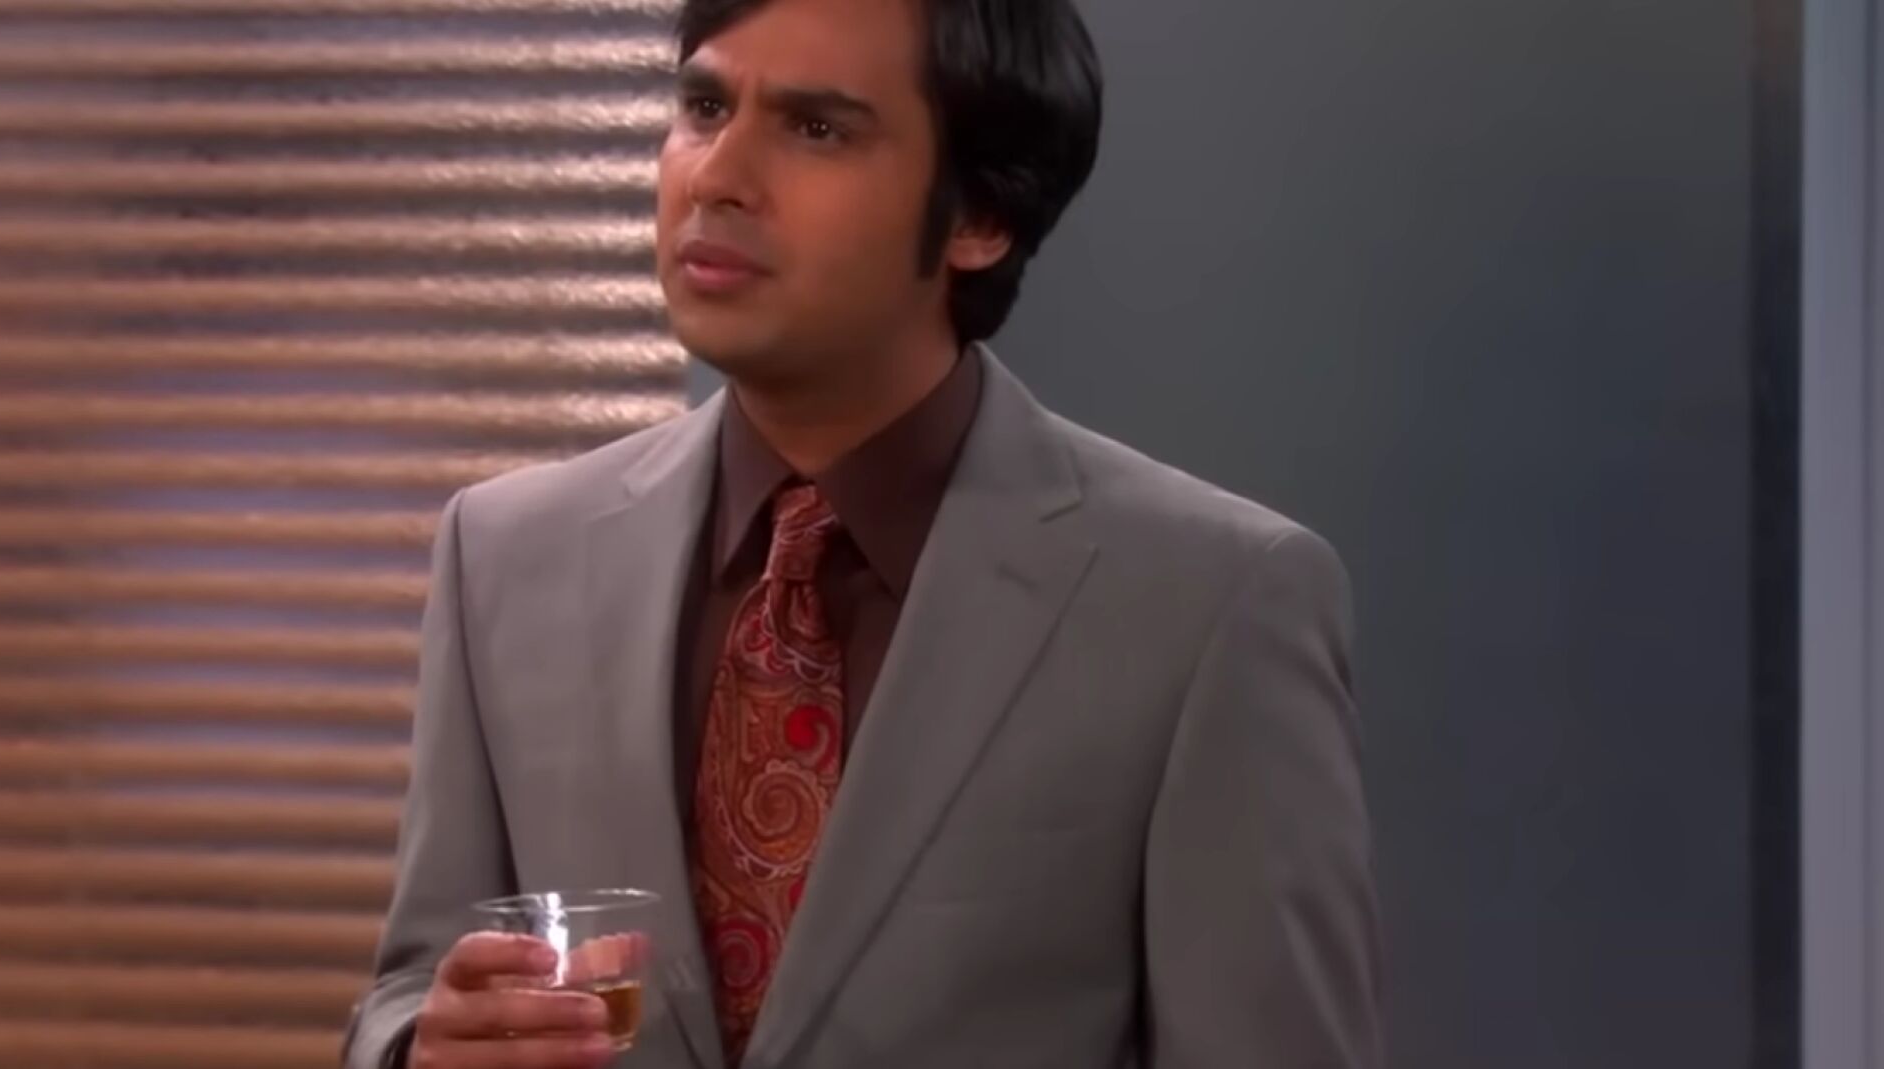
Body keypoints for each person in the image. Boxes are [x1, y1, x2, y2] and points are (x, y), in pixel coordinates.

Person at [342, 0, 1382, 1064]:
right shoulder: (507, 553)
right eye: (704, 107)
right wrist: (422, 1044)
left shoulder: (1205, 605)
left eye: (816, 129)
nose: (716, 178)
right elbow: (415, 984)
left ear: (980, 214)